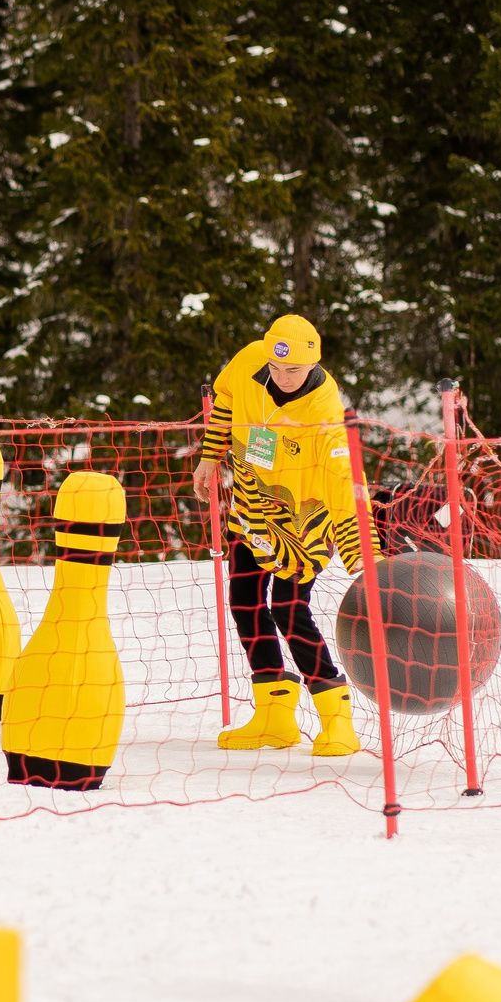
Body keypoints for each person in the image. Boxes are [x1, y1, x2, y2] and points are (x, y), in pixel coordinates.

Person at [190, 314, 366, 757]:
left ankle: (337, 720)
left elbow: (345, 490)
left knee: (289, 610)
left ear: (314, 364)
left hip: (303, 524)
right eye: (276, 367)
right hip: (252, 511)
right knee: (244, 602)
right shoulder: (250, 358)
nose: (283, 377)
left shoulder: (325, 414)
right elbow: (227, 399)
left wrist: (365, 560)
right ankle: (274, 715)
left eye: (294, 369)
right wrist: (210, 456)